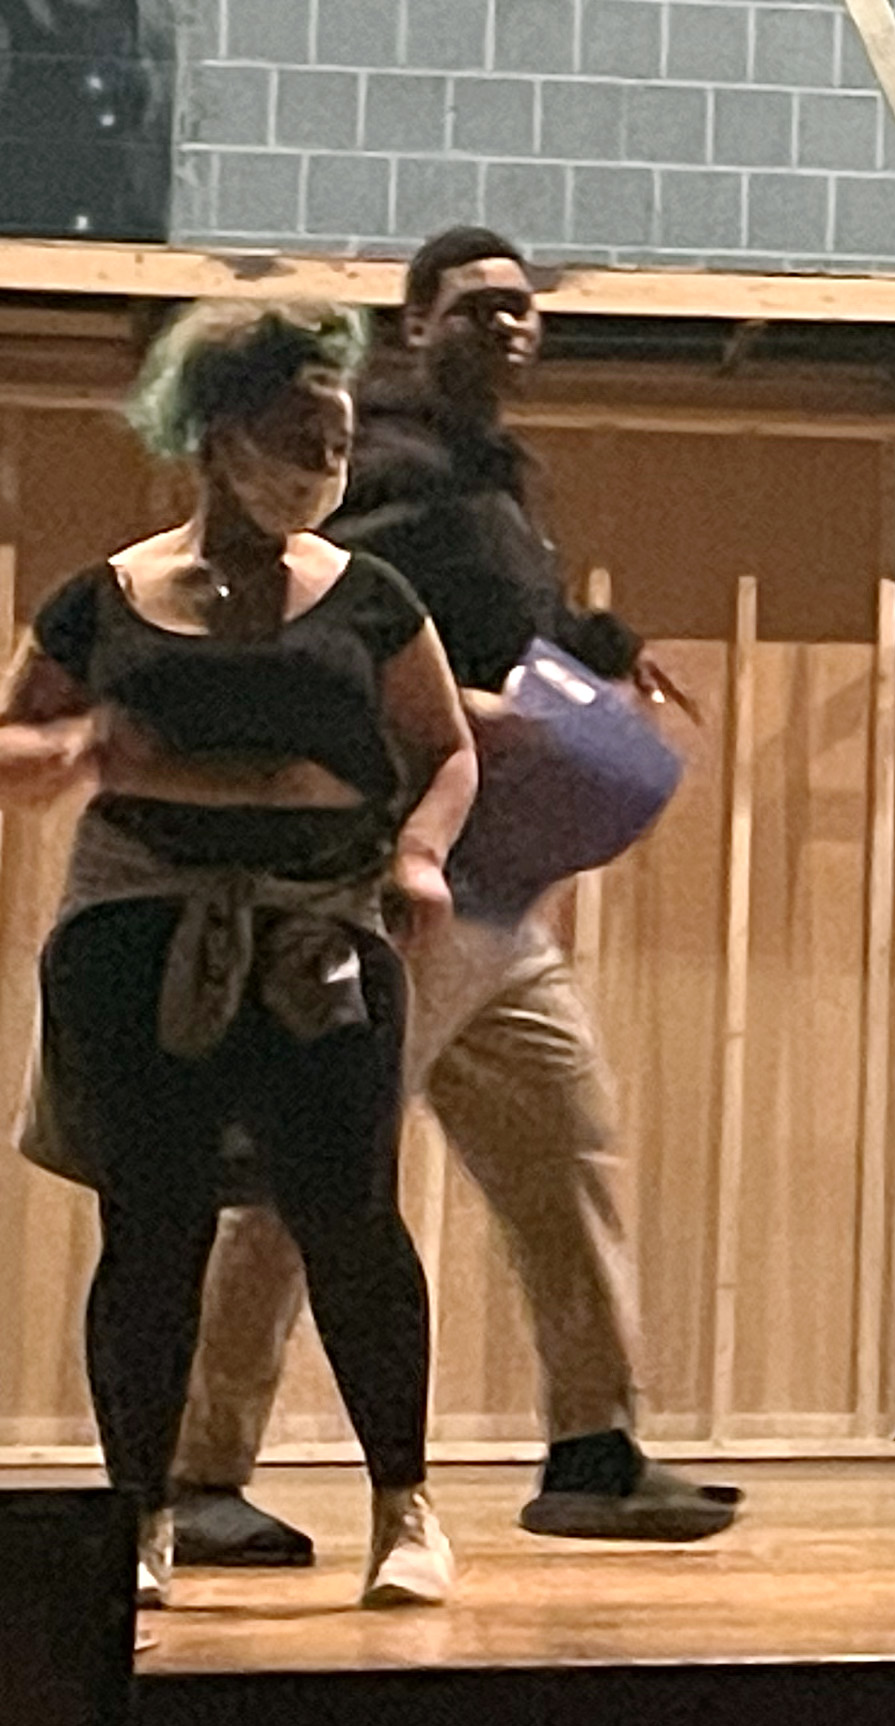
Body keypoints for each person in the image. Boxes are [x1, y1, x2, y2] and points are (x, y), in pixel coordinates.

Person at [158, 228, 736, 1568]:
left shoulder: (490, 478)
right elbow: (311, 615)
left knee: (569, 1150)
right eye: (479, 306)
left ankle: (593, 1453)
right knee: (305, 1181)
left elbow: (507, 610)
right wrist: (457, 709)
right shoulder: (381, 461)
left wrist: (606, 648)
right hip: (384, 883)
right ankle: (198, 1470)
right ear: (416, 322)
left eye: (526, 308)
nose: (509, 325)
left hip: (495, 897)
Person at [0, 300, 476, 1608]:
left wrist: (421, 854)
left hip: (319, 929)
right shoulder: (106, 596)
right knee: (149, 1227)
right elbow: (10, 741)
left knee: (350, 1220)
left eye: (336, 442)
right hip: (140, 930)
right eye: (298, 438)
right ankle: (138, 1513)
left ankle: (404, 1504)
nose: (324, 465)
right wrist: (73, 749)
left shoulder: (371, 598)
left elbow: (446, 750)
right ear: (218, 440)